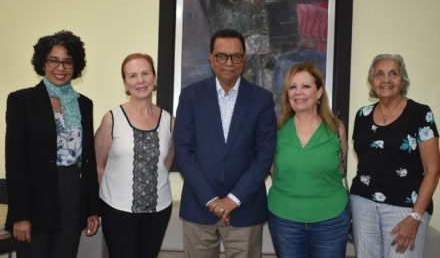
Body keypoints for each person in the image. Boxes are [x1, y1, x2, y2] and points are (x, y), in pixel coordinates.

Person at [173, 28, 277, 257]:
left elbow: (264, 154)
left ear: (244, 59)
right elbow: (183, 151)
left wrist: (232, 200)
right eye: (221, 55)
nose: (229, 62)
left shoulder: (262, 99)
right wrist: (212, 200)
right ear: (211, 58)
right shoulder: (191, 96)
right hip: (199, 206)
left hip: (245, 208)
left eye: (236, 56)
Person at [5, 30, 100, 258]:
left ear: (75, 66)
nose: (61, 67)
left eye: (67, 61)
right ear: (43, 62)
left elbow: (89, 159)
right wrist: (20, 214)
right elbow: (15, 161)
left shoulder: (84, 104)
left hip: (72, 196)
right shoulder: (21, 101)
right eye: (54, 60)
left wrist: (91, 209)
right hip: (35, 200)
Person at [350, 54, 440, 258]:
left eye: (393, 74)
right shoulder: (362, 116)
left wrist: (415, 216)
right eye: (379, 74)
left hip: (406, 208)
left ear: (403, 80)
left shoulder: (420, 113)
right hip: (363, 203)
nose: (386, 80)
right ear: (372, 82)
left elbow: (433, 171)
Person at [95, 53, 174, 258]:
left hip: (158, 211)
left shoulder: (169, 122)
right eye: (132, 76)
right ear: (125, 83)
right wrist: (109, 200)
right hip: (117, 211)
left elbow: (166, 163)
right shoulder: (111, 119)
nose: (140, 81)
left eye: (145, 73)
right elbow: (98, 164)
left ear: (154, 79)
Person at [267, 62, 350, 257]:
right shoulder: (275, 130)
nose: (298, 92)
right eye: (293, 87)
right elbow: (272, 169)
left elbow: (341, 166)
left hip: (331, 220)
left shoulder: (337, 129)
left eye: (306, 86)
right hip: (284, 220)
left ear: (320, 92)